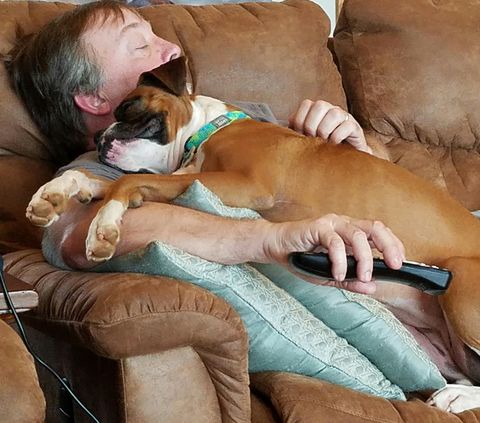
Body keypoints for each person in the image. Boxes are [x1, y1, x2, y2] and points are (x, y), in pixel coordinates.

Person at [5, 0, 405, 295]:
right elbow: (75, 235)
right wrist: (270, 239)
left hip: (401, 238)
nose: (172, 50)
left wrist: (357, 147)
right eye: (140, 46)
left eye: (157, 35)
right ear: (92, 98)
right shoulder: (96, 172)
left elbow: (393, 180)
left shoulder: (234, 120)